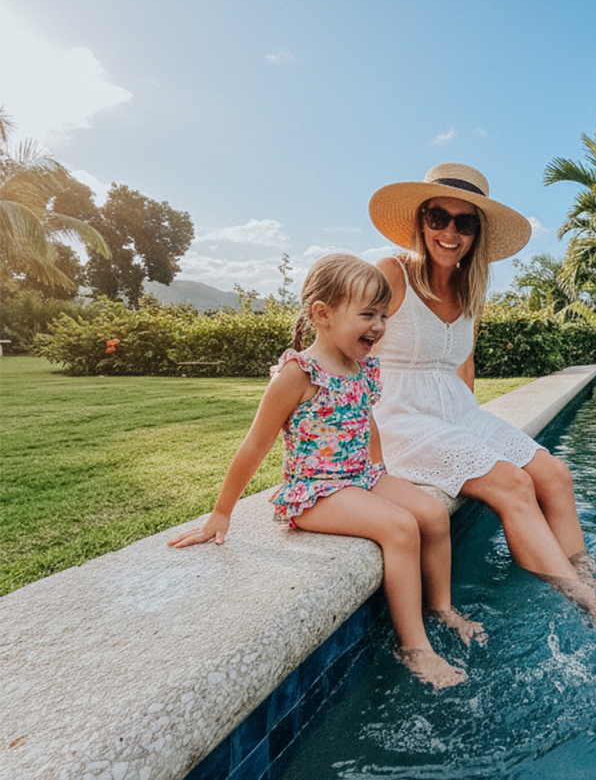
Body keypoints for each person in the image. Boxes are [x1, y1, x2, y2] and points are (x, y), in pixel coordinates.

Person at [369, 164, 596, 661]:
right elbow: (343, 345)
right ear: (421, 219)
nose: (450, 233)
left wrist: (476, 432)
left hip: (455, 412)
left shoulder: (470, 288)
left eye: (465, 224)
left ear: (477, 234)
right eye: (439, 217)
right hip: (398, 415)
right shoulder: (391, 272)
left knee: (554, 474)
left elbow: (462, 367)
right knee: (513, 486)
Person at [168, 254, 483, 688]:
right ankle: (415, 647)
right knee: (401, 528)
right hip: (315, 492)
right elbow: (254, 445)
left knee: (430, 511)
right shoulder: (298, 374)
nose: (378, 327)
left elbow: (367, 418)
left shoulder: (365, 366)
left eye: (383, 316)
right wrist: (222, 513)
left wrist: (380, 470)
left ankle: (442, 608)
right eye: (367, 315)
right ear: (322, 314)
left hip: (360, 477)